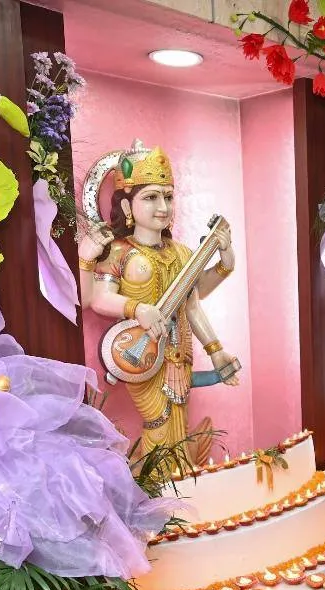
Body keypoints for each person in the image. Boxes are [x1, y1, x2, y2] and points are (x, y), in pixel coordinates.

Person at [77, 143, 240, 459]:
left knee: (179, 423)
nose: (163, 206)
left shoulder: (181, 253)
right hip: (141, 353)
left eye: (168, 196)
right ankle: (158, 483)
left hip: (180, 352)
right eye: (151, 197)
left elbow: (193, 303)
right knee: (158, 421)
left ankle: (179, 479)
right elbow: (95, 299)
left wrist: (225, 264)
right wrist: (137, 309)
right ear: (127, 205)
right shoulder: (119, 252)